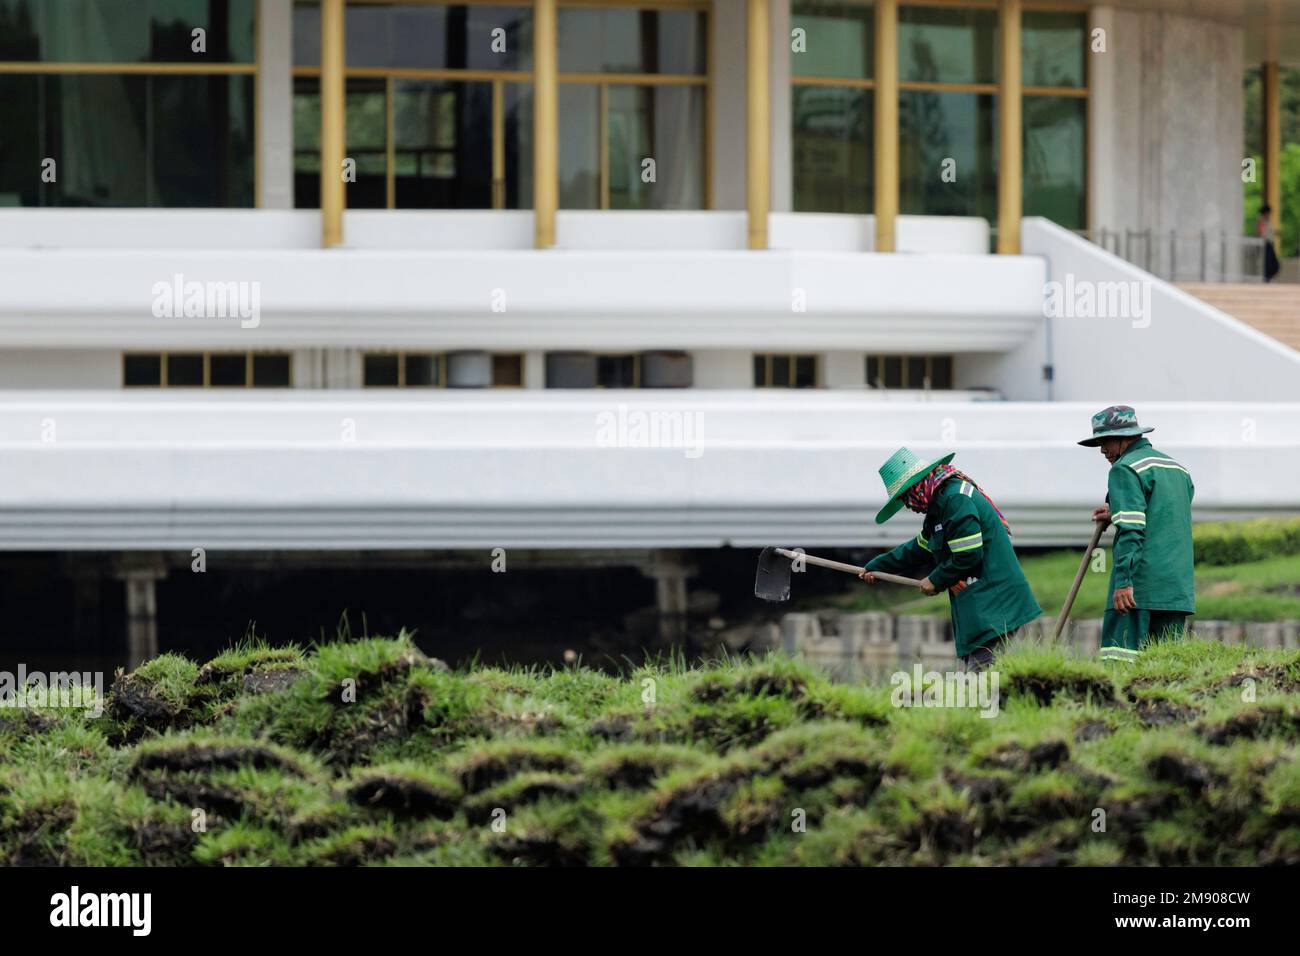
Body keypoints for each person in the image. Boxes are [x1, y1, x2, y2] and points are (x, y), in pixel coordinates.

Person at [859, 447, 1041, 672]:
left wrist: (935, 579)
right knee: (978, 674)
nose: (907, 506)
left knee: (980, 678)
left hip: (995, 601)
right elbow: (919, 547)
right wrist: (877, 566)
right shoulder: (937, 506)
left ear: (916, 487)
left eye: (905, 498)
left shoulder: (955, 498)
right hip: (979, 605)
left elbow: (969, 554)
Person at [1078, 406, 1195, 662]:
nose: (1102, 450)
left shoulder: (1124, 469)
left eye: (1105, 441)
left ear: (1126, 437)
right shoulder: (1178, 470)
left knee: (1121, 665)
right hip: (1175, 589)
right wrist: (1115, 511)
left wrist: (1123, 583)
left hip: (1137, 590)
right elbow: (1160, 514)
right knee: (1166, 670)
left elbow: (1132, 530)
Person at [1258, 204, 1281, 282]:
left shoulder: (1268, 222)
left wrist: (1275, 233)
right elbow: (1261, 233)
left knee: (1274, 264)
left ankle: (1268, 278)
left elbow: (1270, 232)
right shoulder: (1262, 221)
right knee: (1269, 263)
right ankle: (1267, 278)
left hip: (1270, 243)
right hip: (1266, 244)